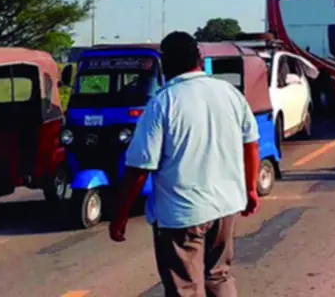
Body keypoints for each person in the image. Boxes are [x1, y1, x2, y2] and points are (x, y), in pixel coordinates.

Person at [109, 31, 261, 297]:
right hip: (225, 207)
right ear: (199, 59)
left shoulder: (162, 103)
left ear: (165, 65)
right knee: (219, 276)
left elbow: (140, 167)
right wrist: (250, 188)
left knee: (185, 289)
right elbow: (251, 142)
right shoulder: (228, 93)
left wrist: (120, 213)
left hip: (182, 216)